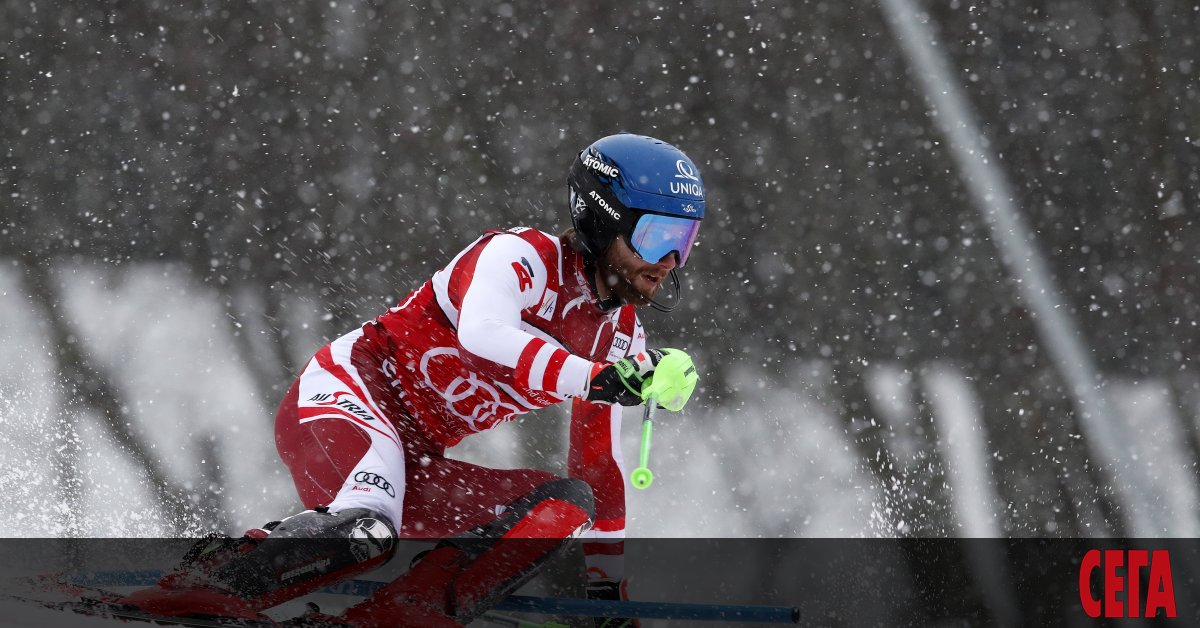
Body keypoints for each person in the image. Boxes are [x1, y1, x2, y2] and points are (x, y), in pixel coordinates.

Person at [119, 133, 706, 627]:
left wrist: (606, 594)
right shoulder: (520, 259)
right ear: (603, 221)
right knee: (366, 532)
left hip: (416, 461)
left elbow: (598, 467)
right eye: (658, 237)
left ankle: (407, 612)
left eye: (685, 242)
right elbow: (485, 332)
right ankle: (205, 585)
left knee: (563, 504)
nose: (669, 264)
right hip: (345, 397)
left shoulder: (620, 340)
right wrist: (594, 378)